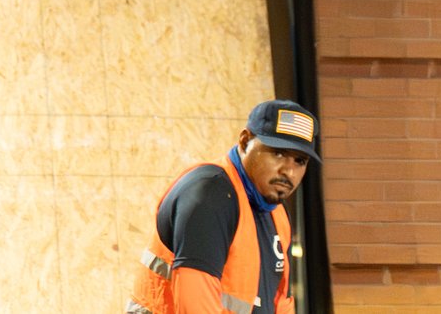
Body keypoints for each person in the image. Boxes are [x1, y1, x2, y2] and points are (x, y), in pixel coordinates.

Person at [127, 99, 319, 314]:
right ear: (245, 141)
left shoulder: (277, 214)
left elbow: (281, 303)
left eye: (299, 161)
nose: (289, 171)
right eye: (278, 153)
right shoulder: (209, 196)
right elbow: (195, 304)